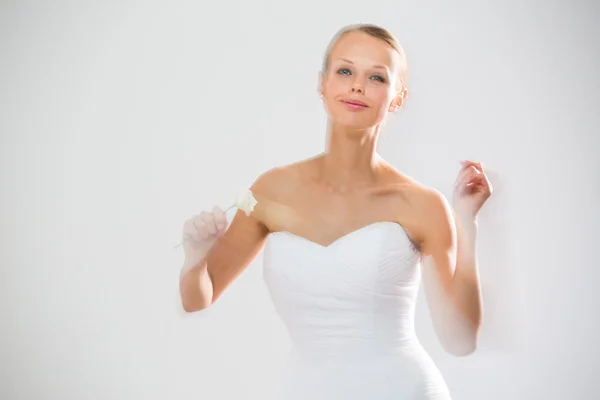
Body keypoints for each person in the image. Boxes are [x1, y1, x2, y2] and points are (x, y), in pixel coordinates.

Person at [179, 23, 492, 400]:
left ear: (397, 97)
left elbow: (459, 341)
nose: (357, 85)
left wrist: (466, 224)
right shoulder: (270, 190)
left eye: (377, 77)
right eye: (345, 71)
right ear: (322, 84)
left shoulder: (420, 204)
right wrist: (195, 260)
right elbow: (198, 298)